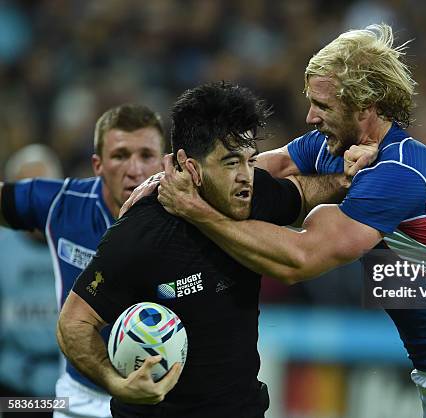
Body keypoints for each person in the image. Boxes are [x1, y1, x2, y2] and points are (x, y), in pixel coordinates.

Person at [156, 25, 426, 418]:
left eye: (324, 106)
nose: (311, 117)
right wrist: (184, 176)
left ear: (364, 106)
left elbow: (299, 260)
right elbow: (264, 167)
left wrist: (197, 210)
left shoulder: (399, 172)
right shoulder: (336, 146)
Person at [57, 81, 350, 418]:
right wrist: (116, 382)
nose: (245, 177)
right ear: (190, 166)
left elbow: (306, 191)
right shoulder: (142, 232)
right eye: (229, 163)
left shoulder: (250, 195)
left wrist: (351, 174)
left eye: (249, 160)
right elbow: (74, 322)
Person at [0, 104, 165, 418]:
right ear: (97, 164)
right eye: (120, 155)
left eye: (146, 155)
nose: (135, 170)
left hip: (160, 399)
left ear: (165, 162)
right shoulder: (64, 205)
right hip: (76, 400)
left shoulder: (192, 217)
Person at [0, 145, 63, 418]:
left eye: (44, 190)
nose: (35, 203)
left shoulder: (84, 242)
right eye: (26, 194)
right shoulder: (2, 249)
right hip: (13, 387)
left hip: (70, 387)